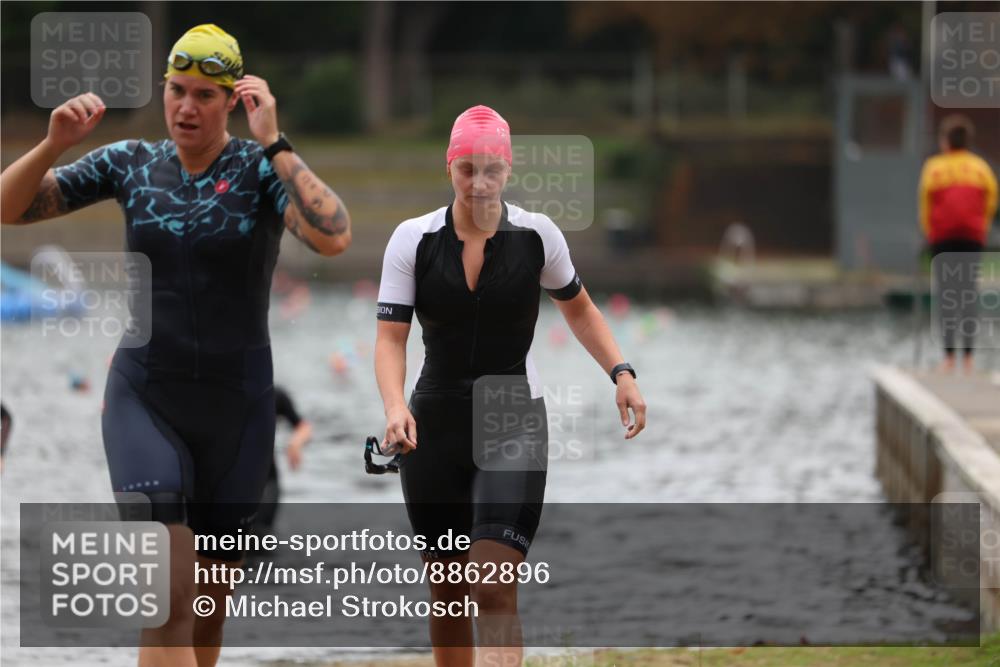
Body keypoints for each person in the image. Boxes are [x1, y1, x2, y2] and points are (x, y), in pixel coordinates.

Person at [0, 24, 350, 667]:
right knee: (166, 597)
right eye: (176, 90)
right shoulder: (130, 162)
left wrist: (274, 139)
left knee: (207, 608)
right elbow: (9, 208)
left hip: (236, 407)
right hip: (145, 394)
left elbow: (333, 236)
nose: (187, 107)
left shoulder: (259, 170)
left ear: (233, 101)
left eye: (205, 96)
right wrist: (51, 144)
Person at [374, 105, 647, 667]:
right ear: (449, 166)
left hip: (511, 413)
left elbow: (581, 311)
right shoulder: (413, 239)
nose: (478, 183)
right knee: (449, 594)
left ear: (508, 169)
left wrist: (621, 373)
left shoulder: (536, 236)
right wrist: (396, 405)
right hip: (434, 417)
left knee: (492, 584)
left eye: (490, 169)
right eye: (466, 168)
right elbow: (390, 339)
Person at [918, 114, 998, 373]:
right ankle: (969, 357)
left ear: (945, 142)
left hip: (942, 238)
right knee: (967, 292)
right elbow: (991, 201)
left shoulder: (934, 168)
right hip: (972, 237)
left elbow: (924, 205)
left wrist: (930, 233)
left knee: (947, 293)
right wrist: (981, 227)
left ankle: (949, 357)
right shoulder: (981, 168)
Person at [255, 385, 313, 534]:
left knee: (261, 535)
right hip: (227, 480)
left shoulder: (273, 394)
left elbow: (303, 426)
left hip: (266, 480)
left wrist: (295, 444)